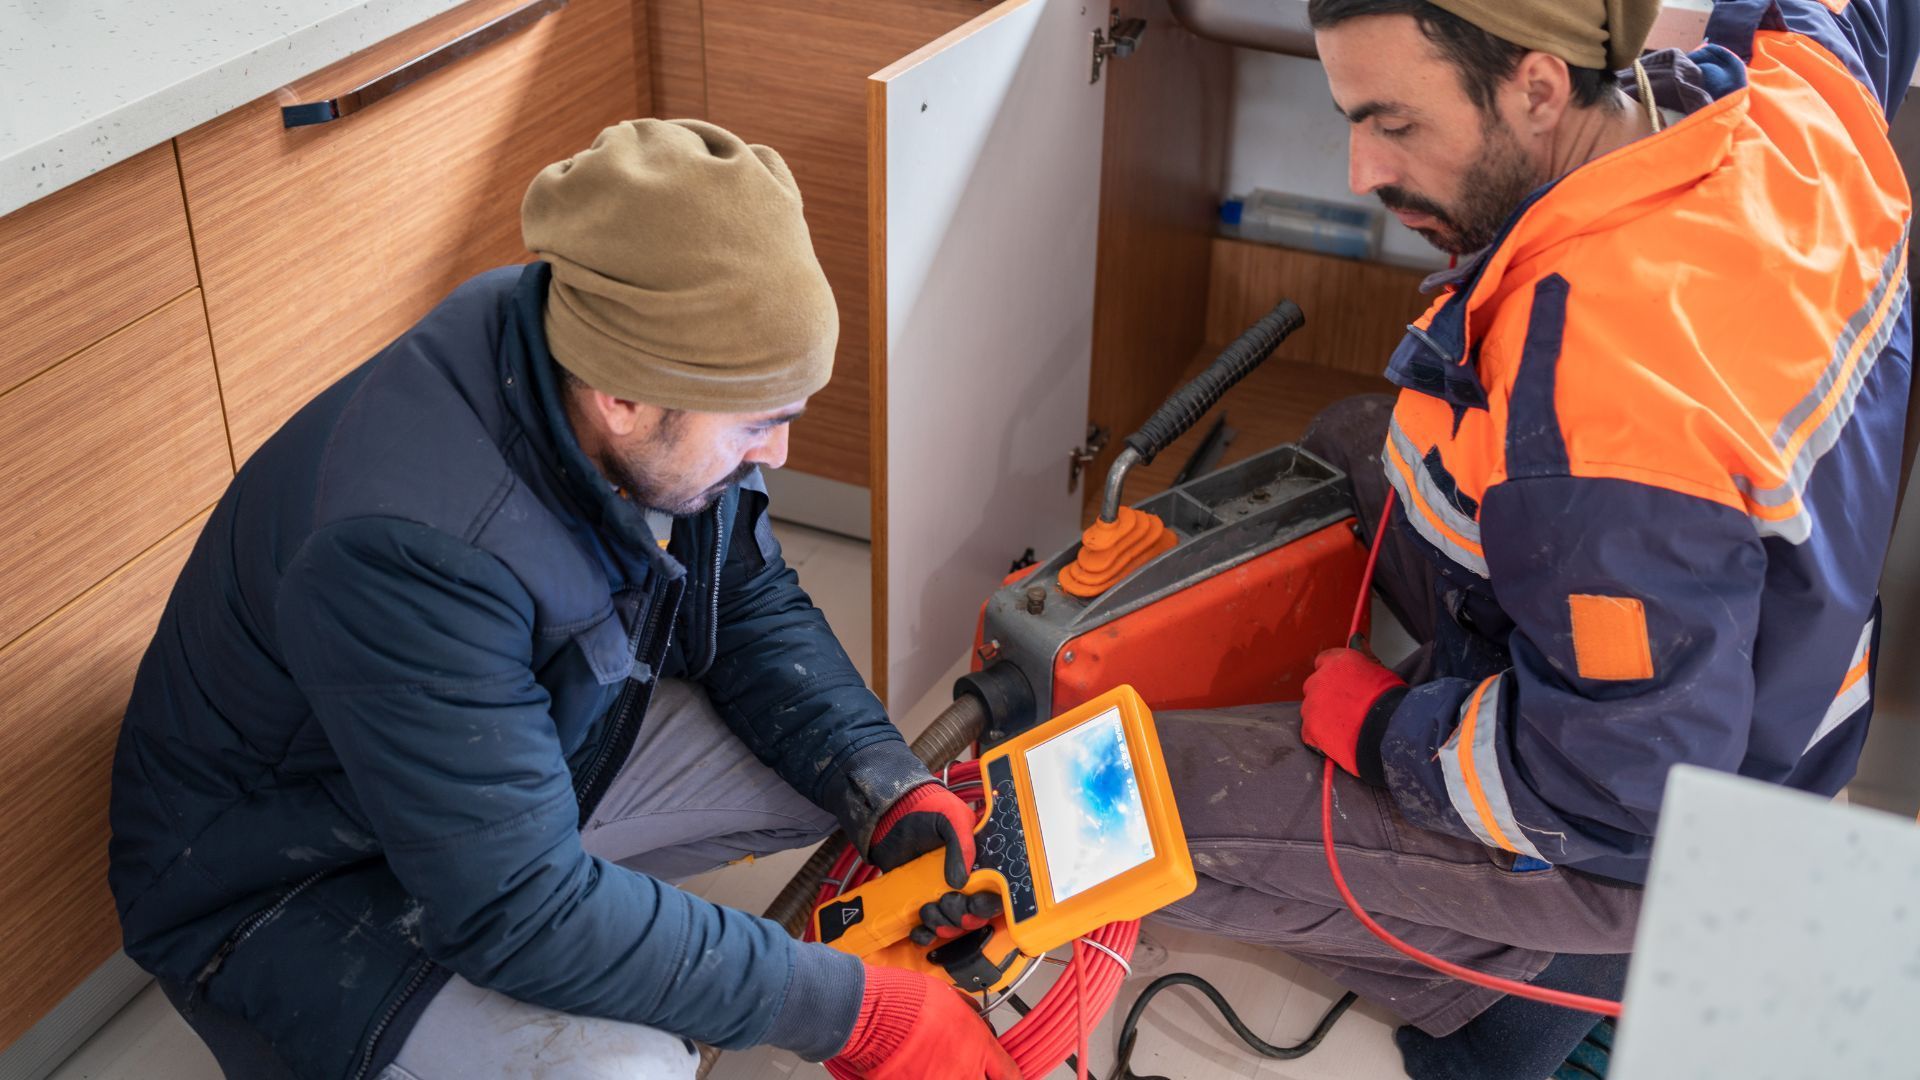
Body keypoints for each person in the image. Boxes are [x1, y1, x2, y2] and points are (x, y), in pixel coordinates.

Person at [107, 119, 1017, 1080]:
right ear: (625, 397)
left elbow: (741, 599)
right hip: (284, 883)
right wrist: (854, 1013)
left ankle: (562, 894)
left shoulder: (606, 349)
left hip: (474, 775)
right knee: (623, 1067)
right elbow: (513, 908)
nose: (777, 455)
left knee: (815, 777)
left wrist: (883, 781)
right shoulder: (411, 547)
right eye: (757, 423)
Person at [1148, 1, 1913, 1077]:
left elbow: (1614, 780)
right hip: (1747, 677)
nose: (1360, 169)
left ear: (1541, 89)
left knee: (1151, 803)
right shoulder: (1799, 98)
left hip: (1661, 822)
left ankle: (1518, 1003)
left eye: (1394, 124)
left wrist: (1384, 733)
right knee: (1347, 447)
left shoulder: (1603, 409)